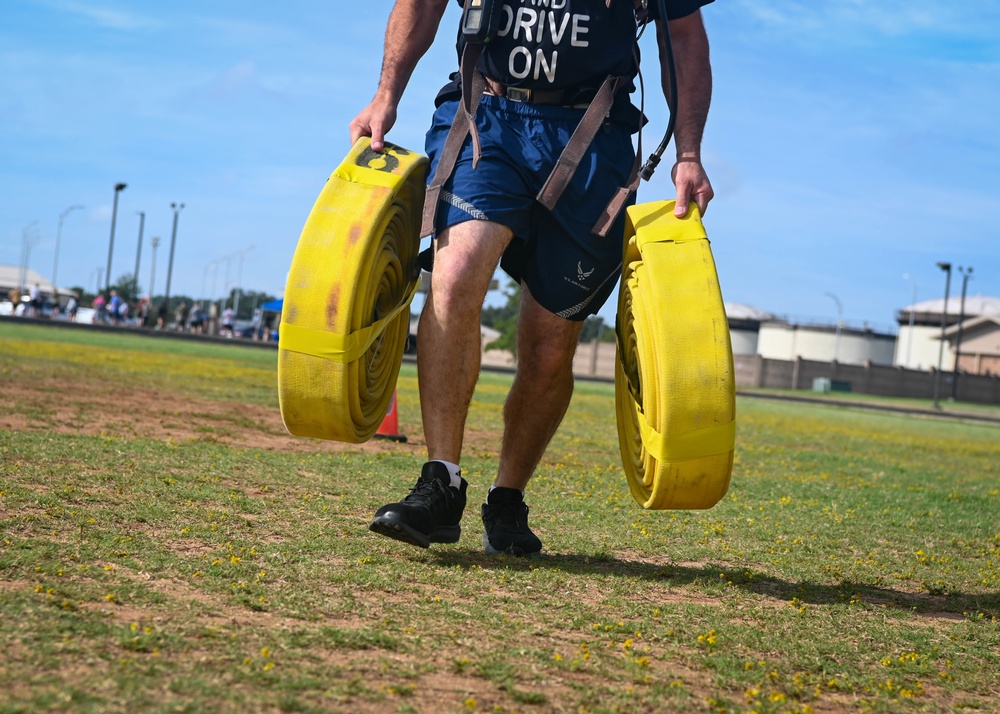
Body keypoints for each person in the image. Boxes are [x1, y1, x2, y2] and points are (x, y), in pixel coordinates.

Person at [352, 0, 714, 555]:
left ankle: (507, 499)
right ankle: (440, 481)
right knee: (454, 278)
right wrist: (386, 94)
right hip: (487, 115)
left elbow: (684, 39)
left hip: (595, 133)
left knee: (549, 346)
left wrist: (688, 151)